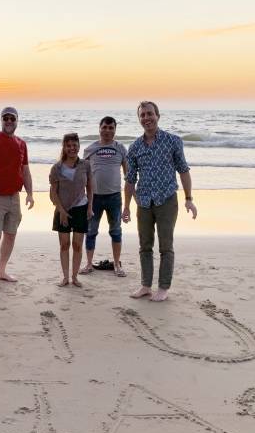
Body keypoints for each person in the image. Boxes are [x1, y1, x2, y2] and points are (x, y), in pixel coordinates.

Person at [122, 101, 197, 302]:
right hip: (144, 201)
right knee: (144, 245)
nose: (146, 118)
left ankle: (163, 287)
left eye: (150, 114)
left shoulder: (173, 141)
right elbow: (130, 180)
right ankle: (146, 285)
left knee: (166, 246)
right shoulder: (135, 147)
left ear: (158, 115)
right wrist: (126, 206)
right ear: (139, 119)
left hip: (167, 200)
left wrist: (189, 199)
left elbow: (183, 170)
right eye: (142, 115)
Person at [0, 106, 34, 288]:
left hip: (14, 197)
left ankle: (1, 271)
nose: (9, 121)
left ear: (17, 120)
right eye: (5, 118)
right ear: (1, 120)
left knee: (10, 235)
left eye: (12, 118)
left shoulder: (21, 143)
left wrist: (30, 194)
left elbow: (25, 171)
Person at [80, 116, 128, 277]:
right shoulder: (90, 149)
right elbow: (81, 173)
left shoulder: (120, 148)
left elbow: (128, 175)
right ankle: (88, 264)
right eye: (105, 127)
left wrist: (131, 199)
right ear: (99, 128)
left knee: (115, 231)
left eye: (111, 128)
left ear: (115, 130)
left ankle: (117, 265)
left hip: (114, 197)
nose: (107, 130)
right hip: (94, 198)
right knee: (91, 231)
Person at [49, 133, 94, 287]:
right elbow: (53, 193)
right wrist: (61, 211)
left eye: (74, 145)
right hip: (62, 209)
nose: (72, 148)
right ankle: (65, 277)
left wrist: (90, 207)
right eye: (68, 145)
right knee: (64, 244)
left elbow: (90, 186)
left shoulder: (85, 165)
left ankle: (74, 277)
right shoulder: (57, 168)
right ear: (64, 147)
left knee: (77, 245)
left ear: (79, 146)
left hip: (81, 208)